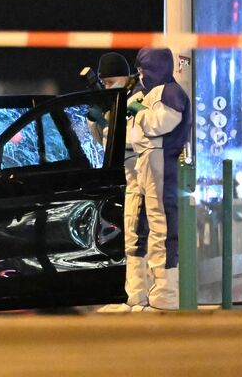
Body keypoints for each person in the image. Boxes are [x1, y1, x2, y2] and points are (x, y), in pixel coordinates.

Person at [127, 47, 191, 311]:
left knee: (163, 228)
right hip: (151, 163)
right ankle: (154, 290)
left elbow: (158, 124)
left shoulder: (171, 92)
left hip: (163, 163)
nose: (140, 75)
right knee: (149, 227)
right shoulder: (156, 91)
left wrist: (139, 110)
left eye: (143, 69)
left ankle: (166, 293)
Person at [95, 52, 152, 313]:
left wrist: (107, 122)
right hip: (131, 180)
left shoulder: (137, 98)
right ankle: (135, 295)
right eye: (104, 83)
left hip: (142, 179)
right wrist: (97, 121)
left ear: (125, 77)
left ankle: (141, 297)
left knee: (139, 238)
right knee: (132, 238)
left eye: (110, 82)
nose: (108, 87)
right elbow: (105, 144)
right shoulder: (124, 99)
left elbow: (128, 139)